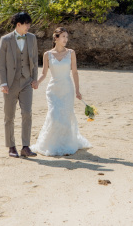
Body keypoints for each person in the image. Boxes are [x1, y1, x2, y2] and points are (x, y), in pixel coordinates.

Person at [30, 27, 91, 156]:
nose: (66, 39)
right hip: (53, 90)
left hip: (67, 89)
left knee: (66, 115)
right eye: (63, 36)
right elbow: (44, 73)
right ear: (56, 38)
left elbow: (74, 72)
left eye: (67, 37)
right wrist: (37, 82)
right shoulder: (47, 54)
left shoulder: (71, 53)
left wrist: (77, 90)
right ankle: (52, 144)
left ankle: (67, 144)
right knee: (54, 115)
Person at [0, 11, 39, 158]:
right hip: (10, 82)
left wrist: (35, 79)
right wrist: (3, 83)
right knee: (9, 116)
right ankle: (11, 146)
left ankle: (26, 147)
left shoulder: (32, 38)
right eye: (26, 24)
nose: (28, 26)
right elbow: (1, 63)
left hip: (27, 81)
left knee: (27, 113)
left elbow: (34, 60)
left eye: (29, 24)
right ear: (18, 24)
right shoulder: (6, 39)